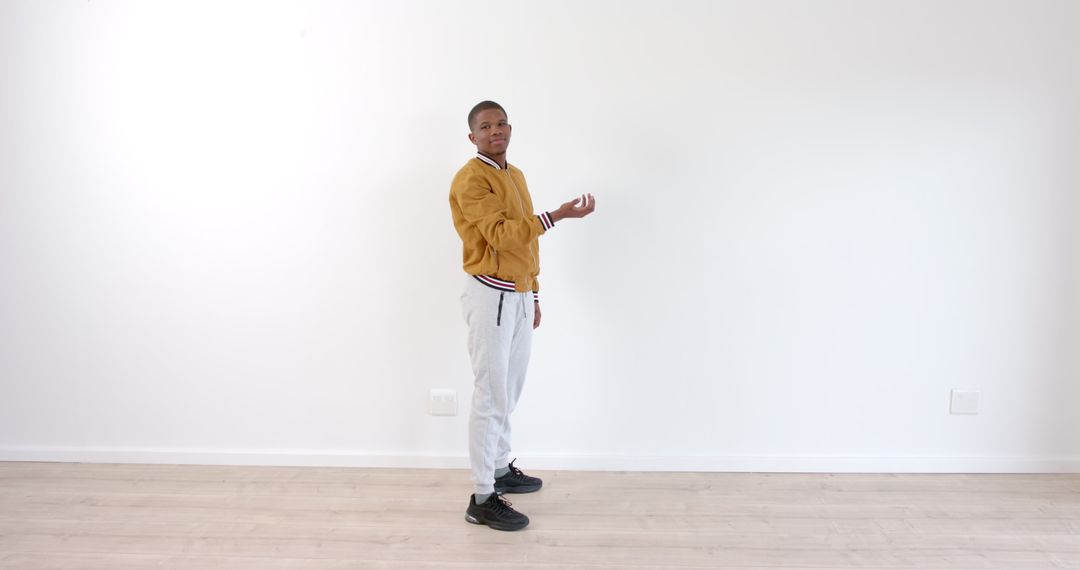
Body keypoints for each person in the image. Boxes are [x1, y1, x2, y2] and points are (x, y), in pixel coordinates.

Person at [449, 100, 596, 531]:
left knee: (508, 391)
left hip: (515, 296)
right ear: (472, 136)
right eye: (485, 126)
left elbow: (528, 246)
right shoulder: (469, 179)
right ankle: (481, 497)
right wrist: (557, 215)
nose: (495, 130)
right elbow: (501, 235)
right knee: (490, 395)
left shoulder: (516, 175)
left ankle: (498, 469)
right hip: (488, 297)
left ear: (509, 129)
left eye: (500, 124)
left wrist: (533, 294)